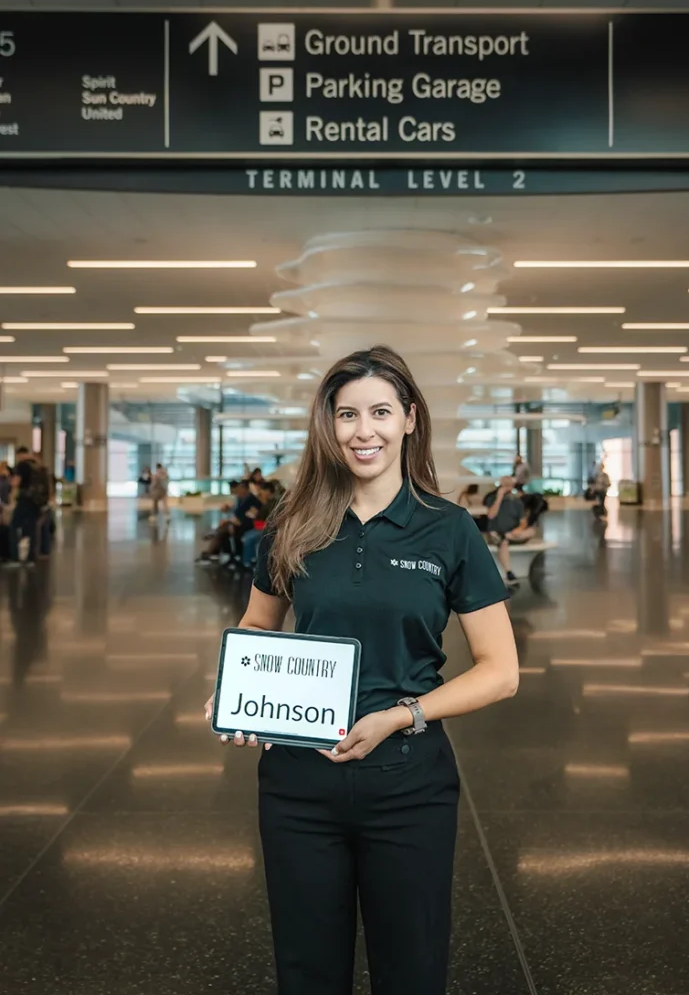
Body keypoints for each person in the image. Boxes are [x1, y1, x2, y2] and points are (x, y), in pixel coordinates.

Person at [204, 345, 518, 995]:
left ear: (409, 418)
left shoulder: (448, 529)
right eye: (346, 414)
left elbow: (500, 671)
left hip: (409, 781)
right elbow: (258, 624)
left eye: (380, 412)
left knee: (412, 971)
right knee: (307, 971)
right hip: (298, 781)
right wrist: (237, 689)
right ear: (329, 424)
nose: (362, 431)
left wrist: (401, 715)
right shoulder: (292, 523)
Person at [196, 480, 261, 564]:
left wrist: (234, 522)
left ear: (245, 489)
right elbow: (238, 513)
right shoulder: (242, 499)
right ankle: (213, 550)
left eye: (240, 488)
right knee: (223, 532)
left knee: (223, 531)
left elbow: (251, 517)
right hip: (238, 524)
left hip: (246, 526)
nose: (238, 490)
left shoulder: (252, 500)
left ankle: (211, 550)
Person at [5, 447, 48, 568]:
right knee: (31, 529)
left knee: (14, 526)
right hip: (36, 501)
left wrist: (10, 480)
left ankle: (15, 557)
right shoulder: (36, 465)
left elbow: (16, 482)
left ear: (19, 455)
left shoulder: (22, 465)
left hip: (25, 500)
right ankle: (31, 558)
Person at [240, 479, 281, 569]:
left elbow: (270, 519)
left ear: (268, 491)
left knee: (249, 538)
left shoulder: (274, 503)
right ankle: (250, 560)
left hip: (267, 528)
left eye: (263, 490)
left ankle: (248, 562)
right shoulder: (265, 503)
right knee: (247, 535)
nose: (261, 493)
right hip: (262, 526)